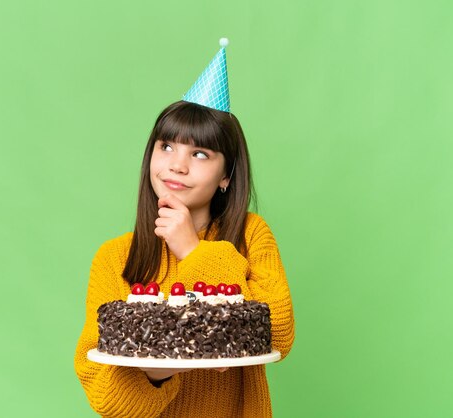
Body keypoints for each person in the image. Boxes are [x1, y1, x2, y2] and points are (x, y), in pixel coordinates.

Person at [74, 39, 295, 418]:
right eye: (166, 147)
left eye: (199, 154)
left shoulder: (251, 235)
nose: (177, 165)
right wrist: (178, 356)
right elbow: (104, 392)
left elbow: (277, 331)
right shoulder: (114, 258)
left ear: (226, 175)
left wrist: (194, 252)